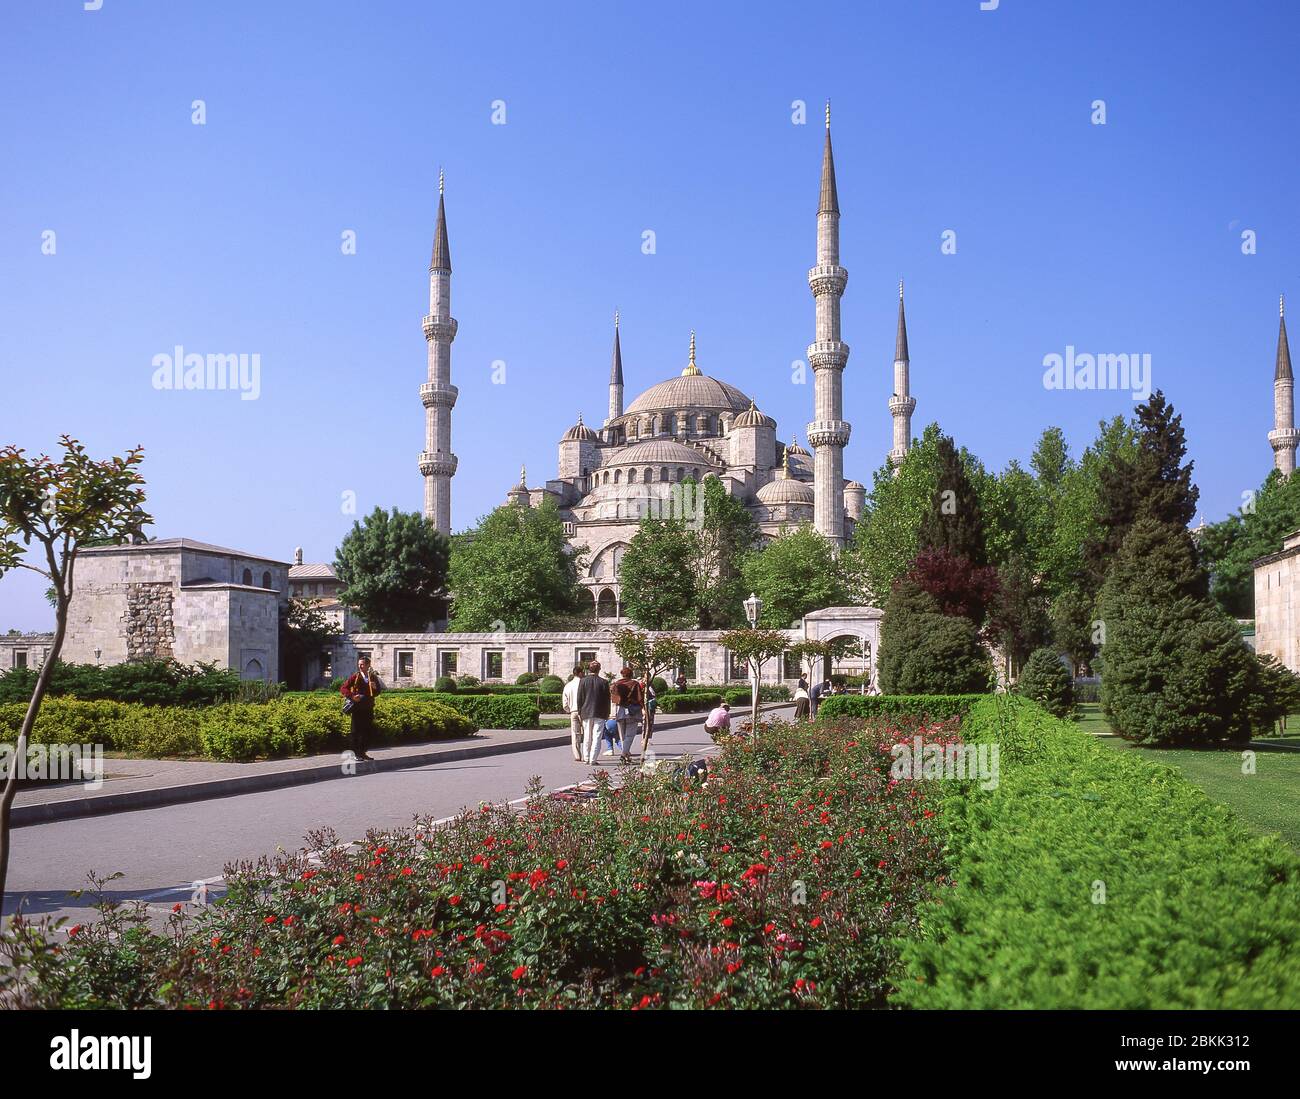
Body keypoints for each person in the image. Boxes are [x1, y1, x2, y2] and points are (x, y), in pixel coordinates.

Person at [339, 655, 383, 761]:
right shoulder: (356, 676)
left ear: (368, 665)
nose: (360, 666)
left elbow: (377, 692)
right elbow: (343, 688)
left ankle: (363, 752)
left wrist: (375, 688)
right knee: (356, 731)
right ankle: (356, 753)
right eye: (359, 664)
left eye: (362, 664)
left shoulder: (372, 677)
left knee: (368, 731)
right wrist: (352, 696)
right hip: (357, 708)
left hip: (368, 707)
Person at [577, 660, 612, 765]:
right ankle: (593, 759)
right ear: (599, 670)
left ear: (588, 669)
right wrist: (607, 713)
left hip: (586, 711)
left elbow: (580, 698)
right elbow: (607, 699)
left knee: (587, 735)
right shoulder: (604, 682)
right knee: (597, 736)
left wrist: (579, 711)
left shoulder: (583, 681)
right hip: (600, 712)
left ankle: (586, 758)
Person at [611, 666, 644, 762]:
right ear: (631, 674)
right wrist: (643, 708)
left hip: (620, 710)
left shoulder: (616, 684)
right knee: (630, 735)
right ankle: (623, 754)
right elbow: (639, 698)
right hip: (632, 711)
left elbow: (613, 698)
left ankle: (626, 755)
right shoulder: (635, 684)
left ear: (622, 674)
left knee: (622, 736)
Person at [562, 664, 584, 762]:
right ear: (580, 673)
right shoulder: (583, 683)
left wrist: (569, 710)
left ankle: (577, 755)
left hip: (573, 711)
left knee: (575, 734)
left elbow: (565, 702)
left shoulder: (568, 685)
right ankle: (587, 754)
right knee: (587, 732)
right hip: (584, 711)